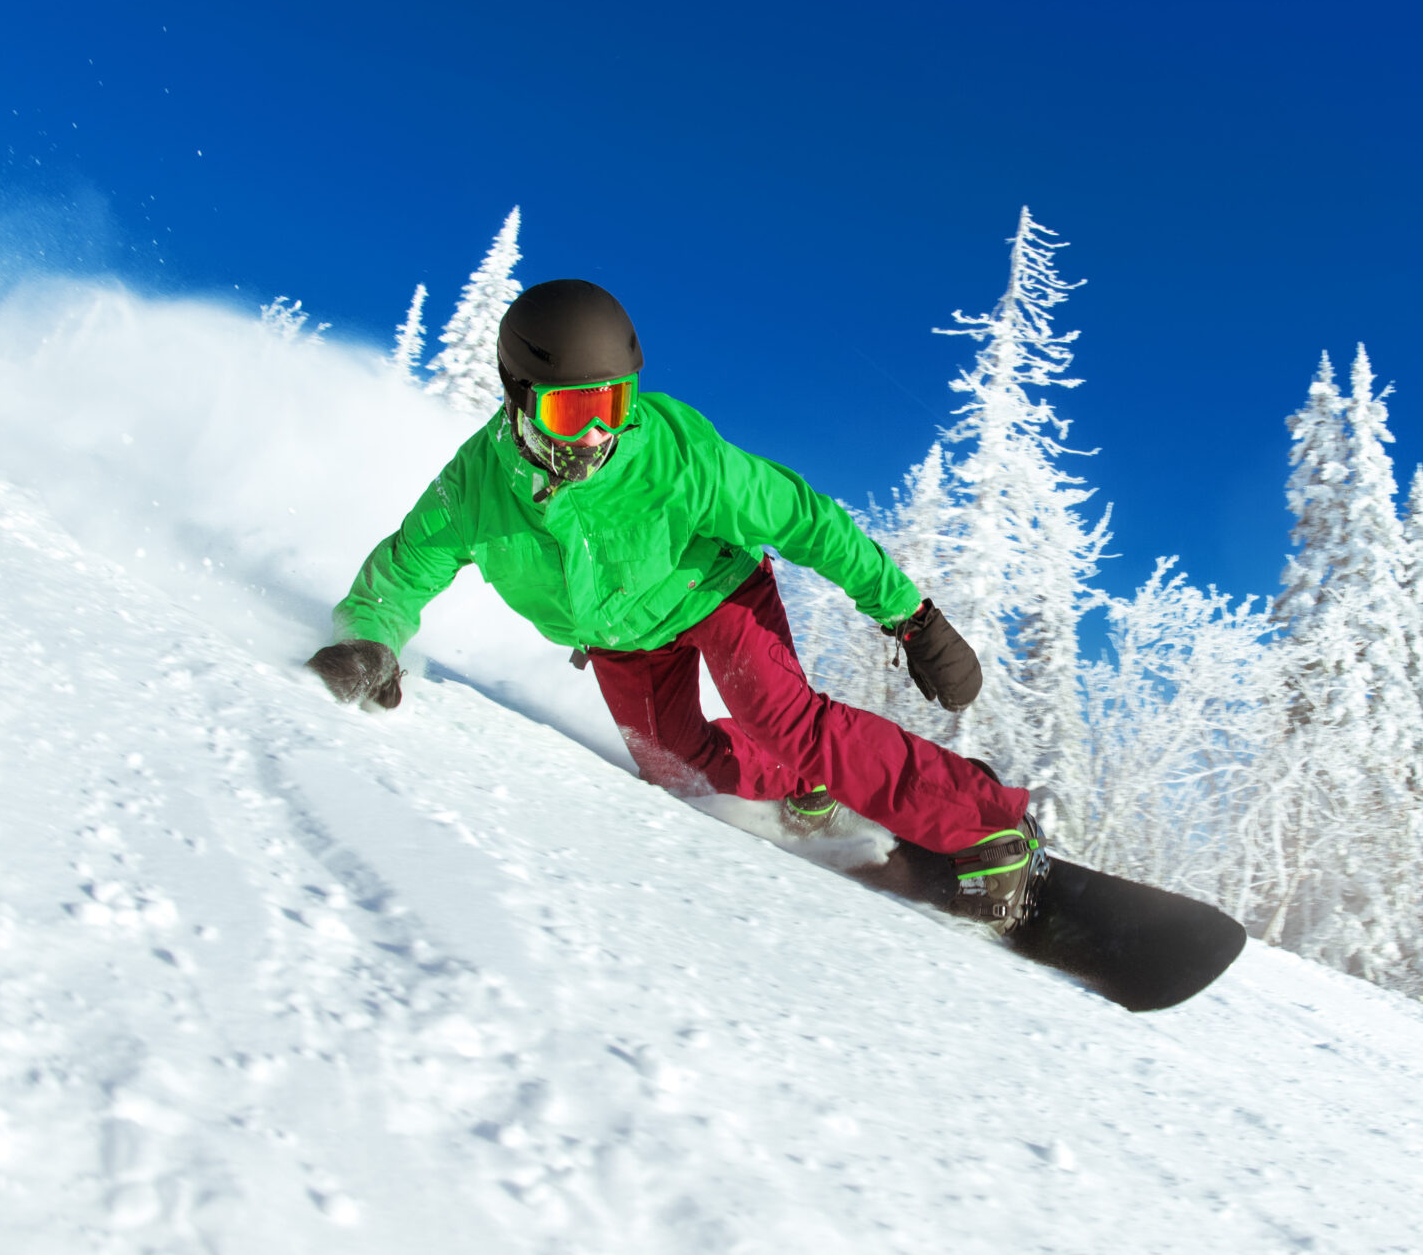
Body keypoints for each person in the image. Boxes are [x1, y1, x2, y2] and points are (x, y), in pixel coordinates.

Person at [307, 278, 1046, 929]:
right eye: (574, 413)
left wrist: (911, 618)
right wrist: (371, 640)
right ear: (518, 399)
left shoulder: (677, 457)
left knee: (782, 719)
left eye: (613, 404)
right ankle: (802, 786)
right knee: (674, 766)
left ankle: (987, 827)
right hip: (620, 639)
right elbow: (404, 569)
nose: (599, 434)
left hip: (713, 593)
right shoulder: (475, 488)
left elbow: (806, 519)